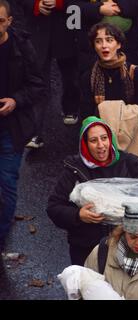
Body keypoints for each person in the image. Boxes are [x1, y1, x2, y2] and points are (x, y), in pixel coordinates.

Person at [47, 116, 138, 265]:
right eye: (93, 140)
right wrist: (78, 215)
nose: (100, 145)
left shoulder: (130, 165)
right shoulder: (74, 170)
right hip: (86, 248)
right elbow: (53, 207)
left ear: (111, 139)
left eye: (104, 138)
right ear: (85, 144)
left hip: (126, 247)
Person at [0, 0, 44, 252]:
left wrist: (16, 101)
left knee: (6, 188)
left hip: (11, 129)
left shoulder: (22, 46)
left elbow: (37, 84)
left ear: (8, 21)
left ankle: (1, 236)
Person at [22, 0, 80, 149]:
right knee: (38, 78)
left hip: (69, 22)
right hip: (37, 25)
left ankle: (71, 107)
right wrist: (35, 5)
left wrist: (59, 3)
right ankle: (34, 132)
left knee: (70, 73)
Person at [80, 22, 138, 127]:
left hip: (130, 130)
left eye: (109, 40)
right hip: (101, 134)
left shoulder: (135, 72)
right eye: (98, 41)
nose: (104, 45)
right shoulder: (88, 77)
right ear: (94, 46)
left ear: (119, 44)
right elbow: (87, 115)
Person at [67, 0, 138, 72]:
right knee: (94, 83)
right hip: (91, 49)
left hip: (128, 47)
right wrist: (99, 9)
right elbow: (72, 8)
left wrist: (119, 7)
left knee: (130, 83)